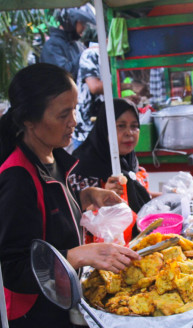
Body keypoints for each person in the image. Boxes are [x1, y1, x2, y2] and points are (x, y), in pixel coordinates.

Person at [0, 63, 140, 328]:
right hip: (36, 316)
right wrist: (75, 256)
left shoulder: (52, 158)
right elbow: (12, 268)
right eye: (64, 114)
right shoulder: (17, 178)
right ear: (30, 120)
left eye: (74, 109)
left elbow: (47, 210)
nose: (74, 121)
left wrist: (85, 196)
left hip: (64, 302)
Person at [70, 98, 153, 238]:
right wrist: (102, 197)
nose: (129, 133)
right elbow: (76, 218)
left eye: (134, 126)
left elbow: (142, 195)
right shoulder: (83, 166)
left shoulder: (128, 160)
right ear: (105, 128)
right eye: (121, 126)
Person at [40, 5, 96, 82]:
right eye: (82, 23)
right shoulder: (52, 46)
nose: (84, 27)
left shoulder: (77, 44)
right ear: (70, 22)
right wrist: (87, 54)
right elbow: (64, 75)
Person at [72, 40, 104, 150]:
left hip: (101, 129)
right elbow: (94, 87)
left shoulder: (113, 59)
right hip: (86, 129)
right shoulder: (91, 54)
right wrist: (127, 86)